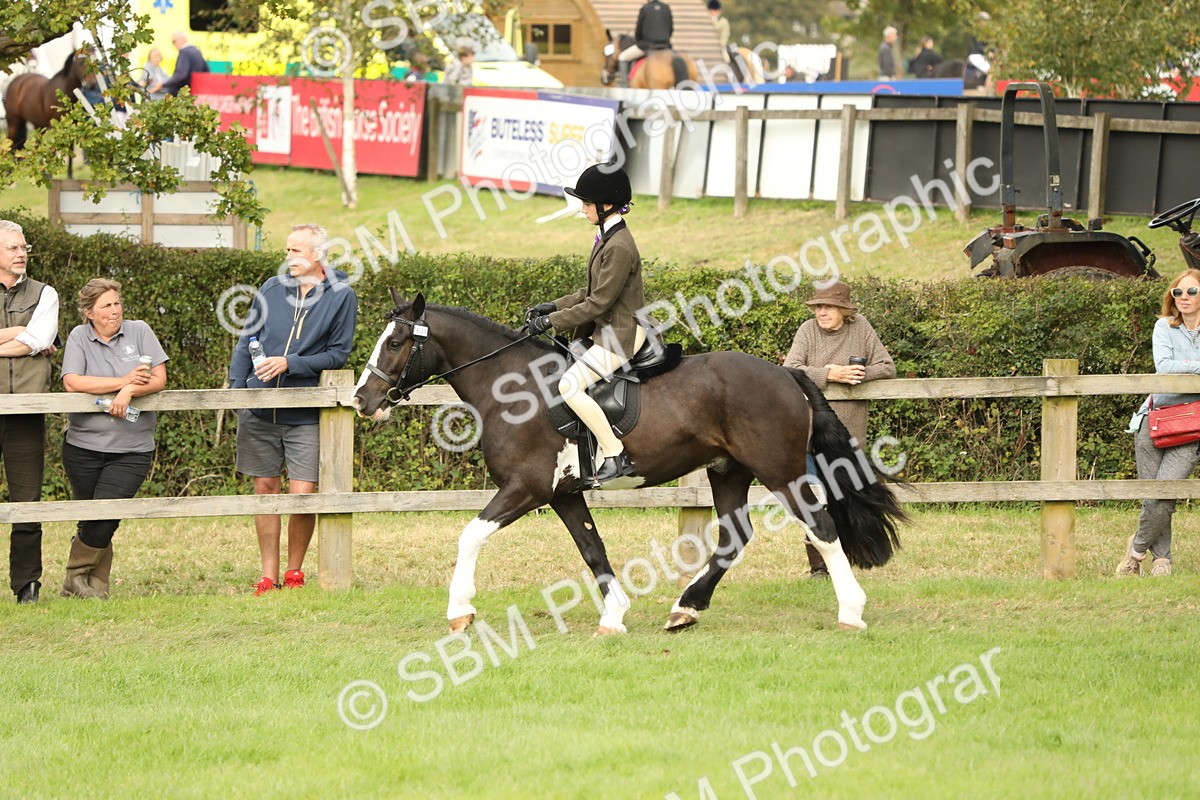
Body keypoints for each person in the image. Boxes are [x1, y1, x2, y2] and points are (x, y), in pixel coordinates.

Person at [229, 224, 358, 596]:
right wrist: (240, 393)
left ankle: (294, 572)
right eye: (287, 251)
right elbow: (246, 341)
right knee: (265, 489)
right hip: (259, 410)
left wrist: (291, 363)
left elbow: (338, 353)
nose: (288, 259)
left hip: (305, 411)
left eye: (295, 252)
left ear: (316, 255)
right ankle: (268, 575)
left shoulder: (341, 295)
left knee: (304, 492)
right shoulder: (271, 288)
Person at [525, 165, 647, 488]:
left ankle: (614, 453)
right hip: (607, 330)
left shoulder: (620, 246)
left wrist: (550, 322)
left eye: (586, 203)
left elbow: (597, 305)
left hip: (621, 335)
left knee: (569, 386)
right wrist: (552, 306)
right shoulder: (608, 238)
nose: (582, 210)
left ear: (606, 205)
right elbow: (588, 292)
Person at [60, 279, 168, 599]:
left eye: (117, 303)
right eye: (106, 306)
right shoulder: (79, 336)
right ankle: (94, 586)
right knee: (92, 517)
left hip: (132, 446)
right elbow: (72, 382)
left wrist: (131, 389)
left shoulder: (140, 331)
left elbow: (158, 378)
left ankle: (74, 578)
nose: (115, 310)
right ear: (88, 312)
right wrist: (122, 380)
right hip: (82, 444)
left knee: (105, 514)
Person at [783, 280, 896, 578]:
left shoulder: (861, 329)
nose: (821, 312)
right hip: (809, 432)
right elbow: (791, 369)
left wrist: (861, 374)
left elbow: (887, 366)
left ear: (845, 310)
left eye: (828, 306)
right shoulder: (807, 331)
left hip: (849, 434)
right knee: (814, 498)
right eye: (818, 306)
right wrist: (830, 373)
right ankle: (820, 568)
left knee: (844, 498)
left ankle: (848, 560)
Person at [1118, 269, 1200, 578]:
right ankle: (1162, 560)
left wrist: (1187, 369)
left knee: (1166, 491)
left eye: (1192, 292)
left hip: (1192, 425)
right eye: (1179, 293)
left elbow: (1176, 368)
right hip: (1154, 419)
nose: (1184, 298)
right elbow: (1164, 367)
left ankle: (1136, 553)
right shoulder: (1164, 326)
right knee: (1153, 494)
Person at [0, 220, 59, 605]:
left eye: (24, 248)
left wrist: (31, 339)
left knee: (27, 499)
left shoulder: (45, 293)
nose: (22, 253)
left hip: (25, 409)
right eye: (13, 248)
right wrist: (19, 335)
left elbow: (40, 338)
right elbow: (28, 340)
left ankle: (27, 585)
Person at [617, 0, 674, 86]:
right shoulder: (666, 8)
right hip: (665, 46)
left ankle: (624, 86)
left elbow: (638, 30)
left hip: (647, 46)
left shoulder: (645, 8)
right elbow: (670, 29)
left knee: (622, 57)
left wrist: (639, 40)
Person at [156, 32, 210, 96]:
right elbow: (206, 70)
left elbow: (181, 75)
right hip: (196, 91)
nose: (173, 44)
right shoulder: (196, 51)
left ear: (181, 39)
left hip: (183, 93)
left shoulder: (185, 52)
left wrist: (164, 84)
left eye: (174, 41)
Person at [964, 12, 992, 91]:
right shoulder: (975, 32)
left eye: (986, 21)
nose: (985, 23)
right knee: (990, 69)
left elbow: (990, 45)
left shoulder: (987, 33)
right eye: (983, 21)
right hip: (975, 55)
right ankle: (986, 86)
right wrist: (988, 52)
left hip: (983, 55)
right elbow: (979, 46)